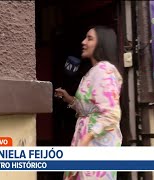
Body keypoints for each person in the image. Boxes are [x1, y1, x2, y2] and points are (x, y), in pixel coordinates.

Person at [55, 26, 123, 180]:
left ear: (101, 44)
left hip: (96, 145)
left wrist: (87, 137)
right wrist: (69, 98)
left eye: (90, 38)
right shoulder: (94, 71)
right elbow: (88, 110)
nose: (83, 42)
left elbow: (112, 114)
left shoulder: (103, 71)